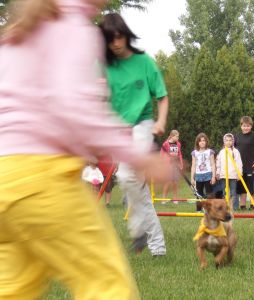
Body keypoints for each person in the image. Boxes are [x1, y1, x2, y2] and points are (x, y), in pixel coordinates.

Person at [0, 0, 170, 298]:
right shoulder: (72, 27)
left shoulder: (18, 31)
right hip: (42, 183)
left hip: (5, 181)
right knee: (107, 286)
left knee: (12, 289)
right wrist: (138, 157)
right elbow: (73, 109)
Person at [99, 13, 169, 256]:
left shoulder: (144, 62)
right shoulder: (105, 66)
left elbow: (162, 95)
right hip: (117, 129)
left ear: (126, 34)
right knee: (134, 187)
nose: (116, 44)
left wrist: (160, 121)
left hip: (142, 126)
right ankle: (157, 247)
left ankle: (137, 229)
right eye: (110, 40)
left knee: (130, 179)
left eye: (119, 37)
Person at [234, 116, 254, 210]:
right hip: (240, 167)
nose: (246, 127)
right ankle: (242, 206)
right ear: (241, 126)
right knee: (242, 187)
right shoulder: (237, 136)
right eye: (244, 126)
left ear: (251, 126)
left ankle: (252, 206)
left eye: (248, 126)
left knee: (252, 188)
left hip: (252, 166)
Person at [216, 133, 243, 208]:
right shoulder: (221, 152)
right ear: (224, 142)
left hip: (233, 175)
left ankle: (234, 207)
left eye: (230, 140)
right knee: (224, 191)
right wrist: (218, 173)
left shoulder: (235, 151)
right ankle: (225, 206)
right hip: (223, 175)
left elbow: (239, 163)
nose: (228, 142)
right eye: (227, 140)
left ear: (233, 141)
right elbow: (218, 163)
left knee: (233, 192)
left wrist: (239, 173)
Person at [191, 133, 216, 212]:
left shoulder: (210, 152)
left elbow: (212, 164)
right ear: (197, 142)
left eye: (203, 140)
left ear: (206, 142)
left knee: (209, 193)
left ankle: (210, 209)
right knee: (199, 194)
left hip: (208, 174)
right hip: (198, 176)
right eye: (200, 141)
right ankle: (198, 209)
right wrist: (192, 178)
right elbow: (193, 165)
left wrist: (213, 176)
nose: (202, 142)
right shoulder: (194, 153)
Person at [160, 129, 183, 200]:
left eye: (178, 137)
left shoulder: (178, 144)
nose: (178, 138)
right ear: (172, 136)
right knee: (167, 182)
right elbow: (161, 154)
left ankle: (175, 198)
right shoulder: (165, 144)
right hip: (168, 166)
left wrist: (181, 163)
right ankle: (164, 198)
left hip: (175, 166)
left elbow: (179, 154)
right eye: (177, 136)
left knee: (175, 182)